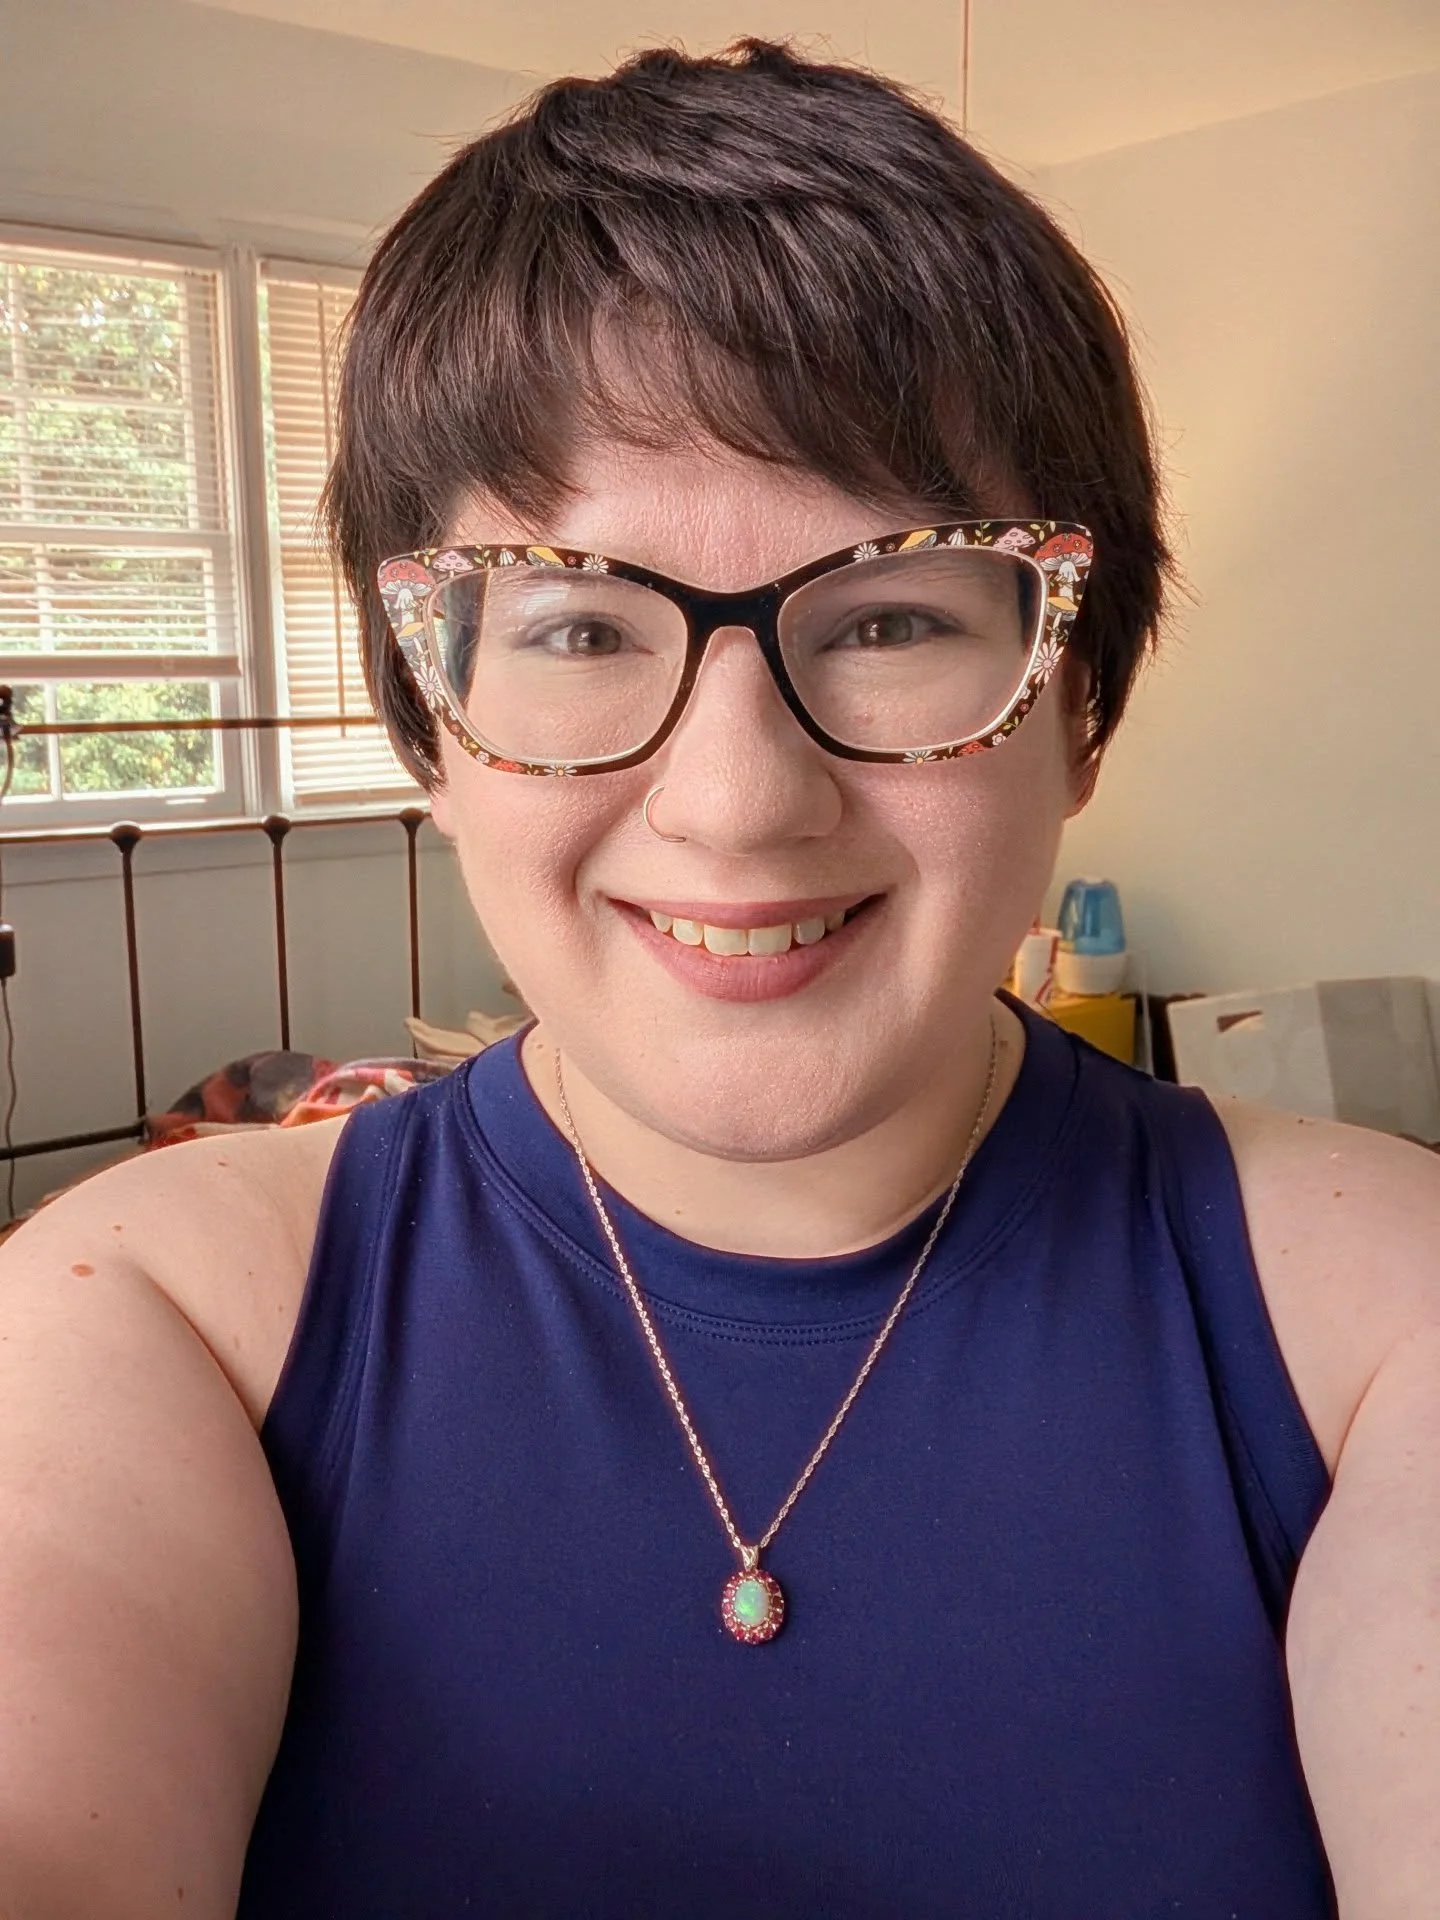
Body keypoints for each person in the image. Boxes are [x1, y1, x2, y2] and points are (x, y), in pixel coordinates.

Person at [0, 39, 1435, 1920]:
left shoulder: (1372, 1318)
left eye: (899, 614)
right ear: (432, 722)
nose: (741, 804)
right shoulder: (150, 1322)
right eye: (580, 625)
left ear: (1081, 706)